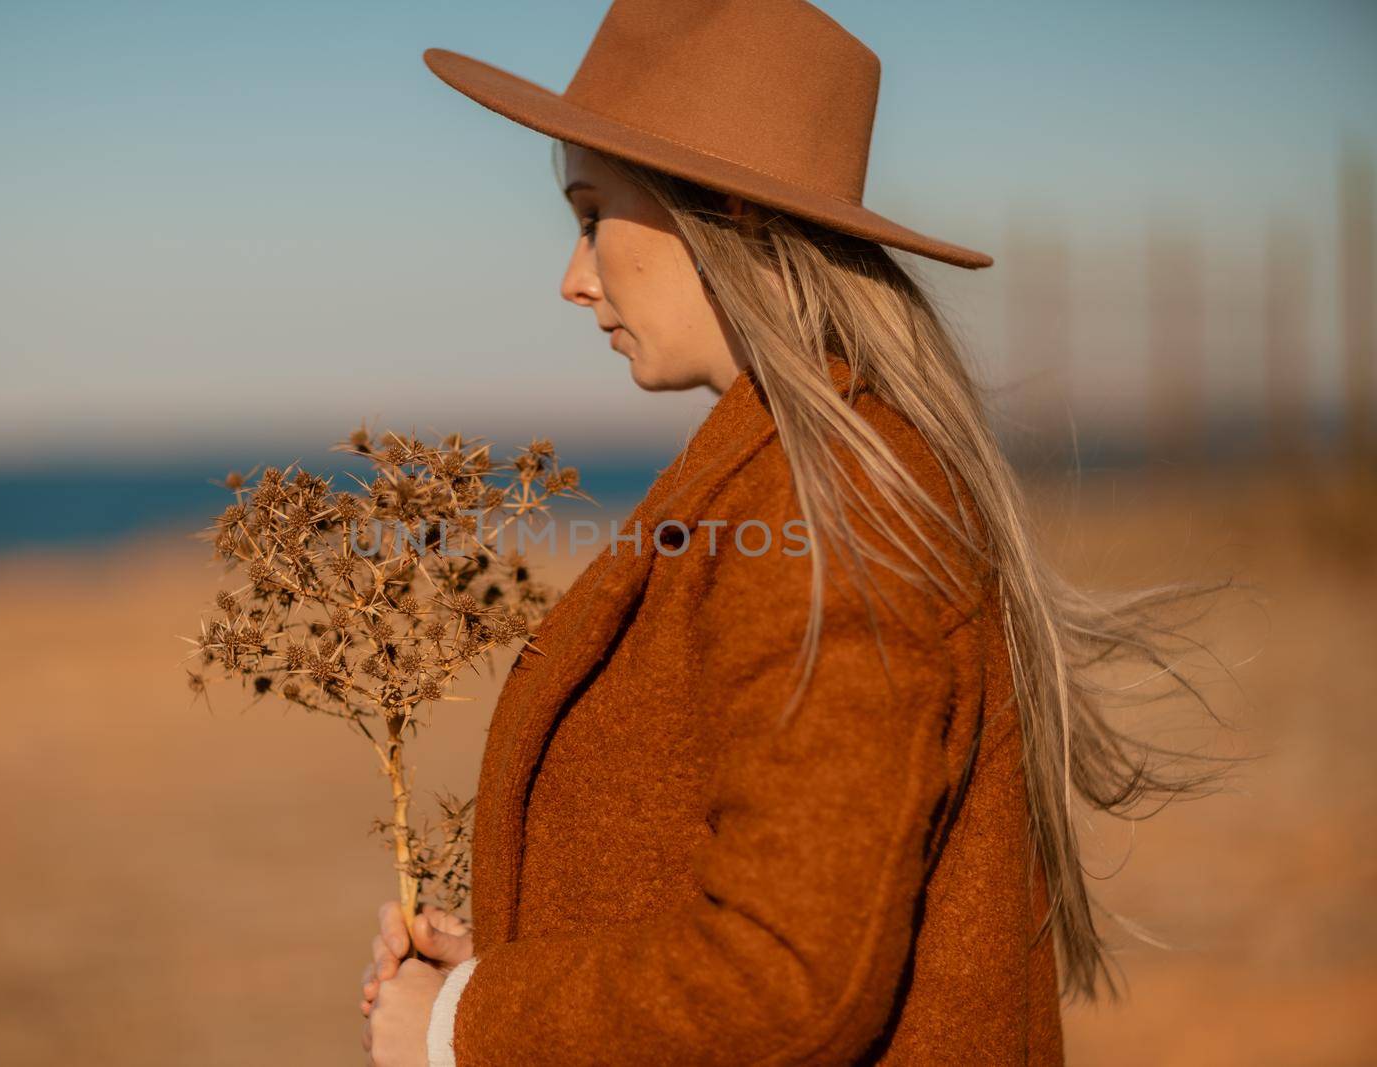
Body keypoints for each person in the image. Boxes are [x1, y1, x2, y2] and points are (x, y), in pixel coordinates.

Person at [361, 2, 1232, 1064]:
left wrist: (471, 1026)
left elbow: (784, 981)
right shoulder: (792, 473)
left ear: (721, 211)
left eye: (593, 215)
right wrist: (504, 966)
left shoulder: (829, 509)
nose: (573, 275)